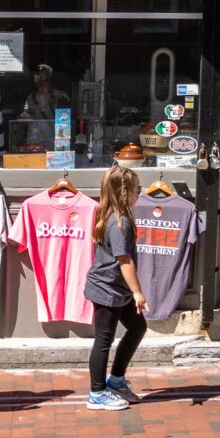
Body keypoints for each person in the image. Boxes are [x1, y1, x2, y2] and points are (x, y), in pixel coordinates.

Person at [82, 163, 150, 411]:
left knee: (137, 327)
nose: (139, 194)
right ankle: (97, 393)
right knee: (104, 339)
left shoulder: (115, 215)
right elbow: (124, 260)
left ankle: (117, 380)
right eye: (137, 189)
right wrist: (137, 291)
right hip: (107, 289)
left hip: (116, 289)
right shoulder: (118, 223)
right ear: (124, 193)